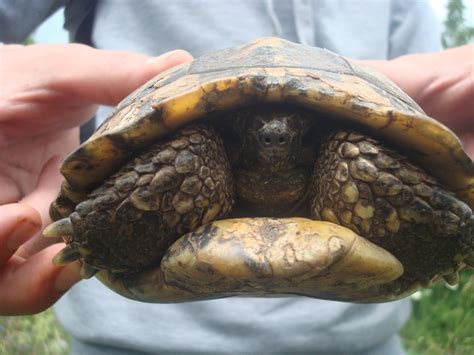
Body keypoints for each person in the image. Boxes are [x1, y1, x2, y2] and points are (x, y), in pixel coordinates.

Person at [1, 1, 472, 353]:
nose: (274, 139)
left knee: (362, 160)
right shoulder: (200, 154)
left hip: (361, 341)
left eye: (297, 135)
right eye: (254, 133)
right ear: (233, 135)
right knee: (186, 159)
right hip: (130, 341)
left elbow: (417, 137)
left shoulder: (347, 154)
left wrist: (450, 230)